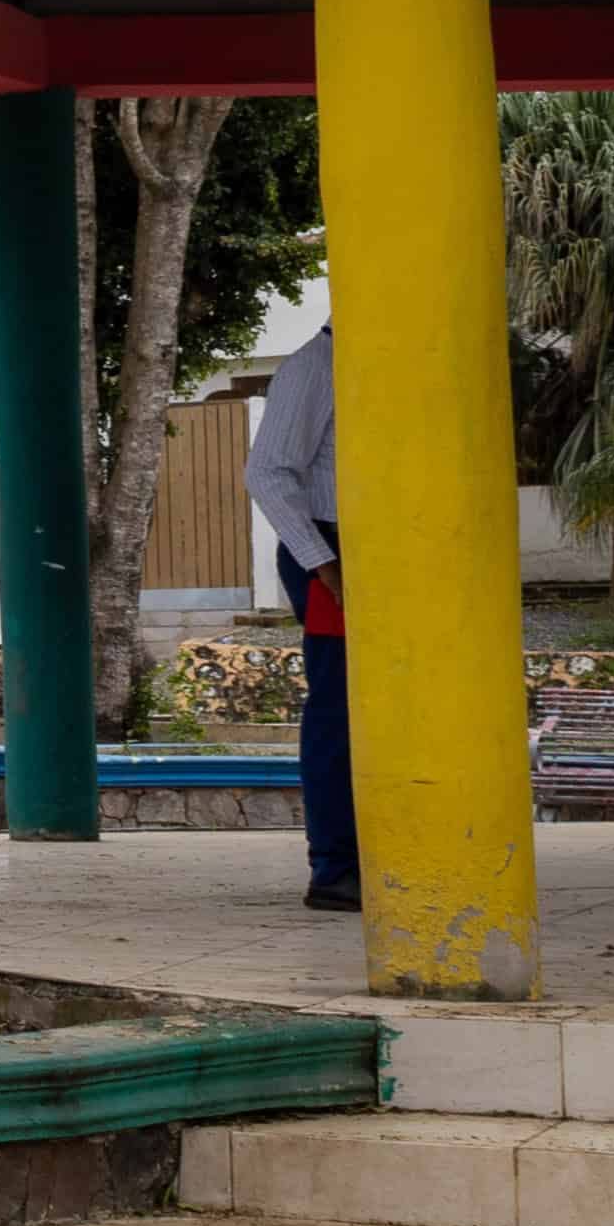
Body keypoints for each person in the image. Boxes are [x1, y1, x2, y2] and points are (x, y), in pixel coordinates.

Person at [243, 327, 354, 914]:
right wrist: (323, 562)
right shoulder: (316, 364)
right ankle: (336, 868)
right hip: (332, 552)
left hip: (381, 548)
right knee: (339, 708)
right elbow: (266, 473)